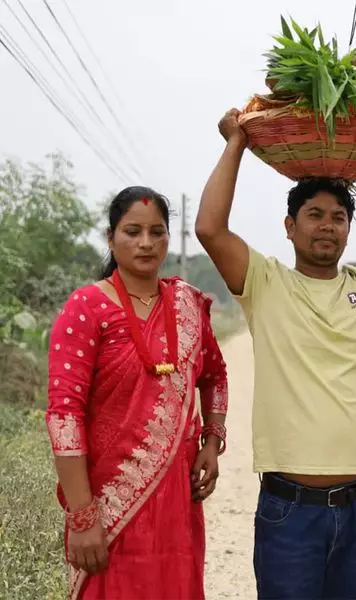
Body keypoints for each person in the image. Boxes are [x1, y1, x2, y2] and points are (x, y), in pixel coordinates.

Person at [195, 108, 356, 599]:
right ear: (290, 226)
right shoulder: (265, 282)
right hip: (290, 510)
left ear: (349, 230)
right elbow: (210, 230)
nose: (327, 226)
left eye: (338, 217)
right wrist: (236, 143)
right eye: (314, 215)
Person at [45, 186, 229, 599]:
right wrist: (82, 516)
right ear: (111, 238)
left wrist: (211, 440)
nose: (146, 243)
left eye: (156, 232)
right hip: (109, 504)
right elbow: (64, 415)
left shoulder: (187, 304)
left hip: (177, 502)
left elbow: (215, 375)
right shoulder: (87, 307)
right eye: (132, 231)